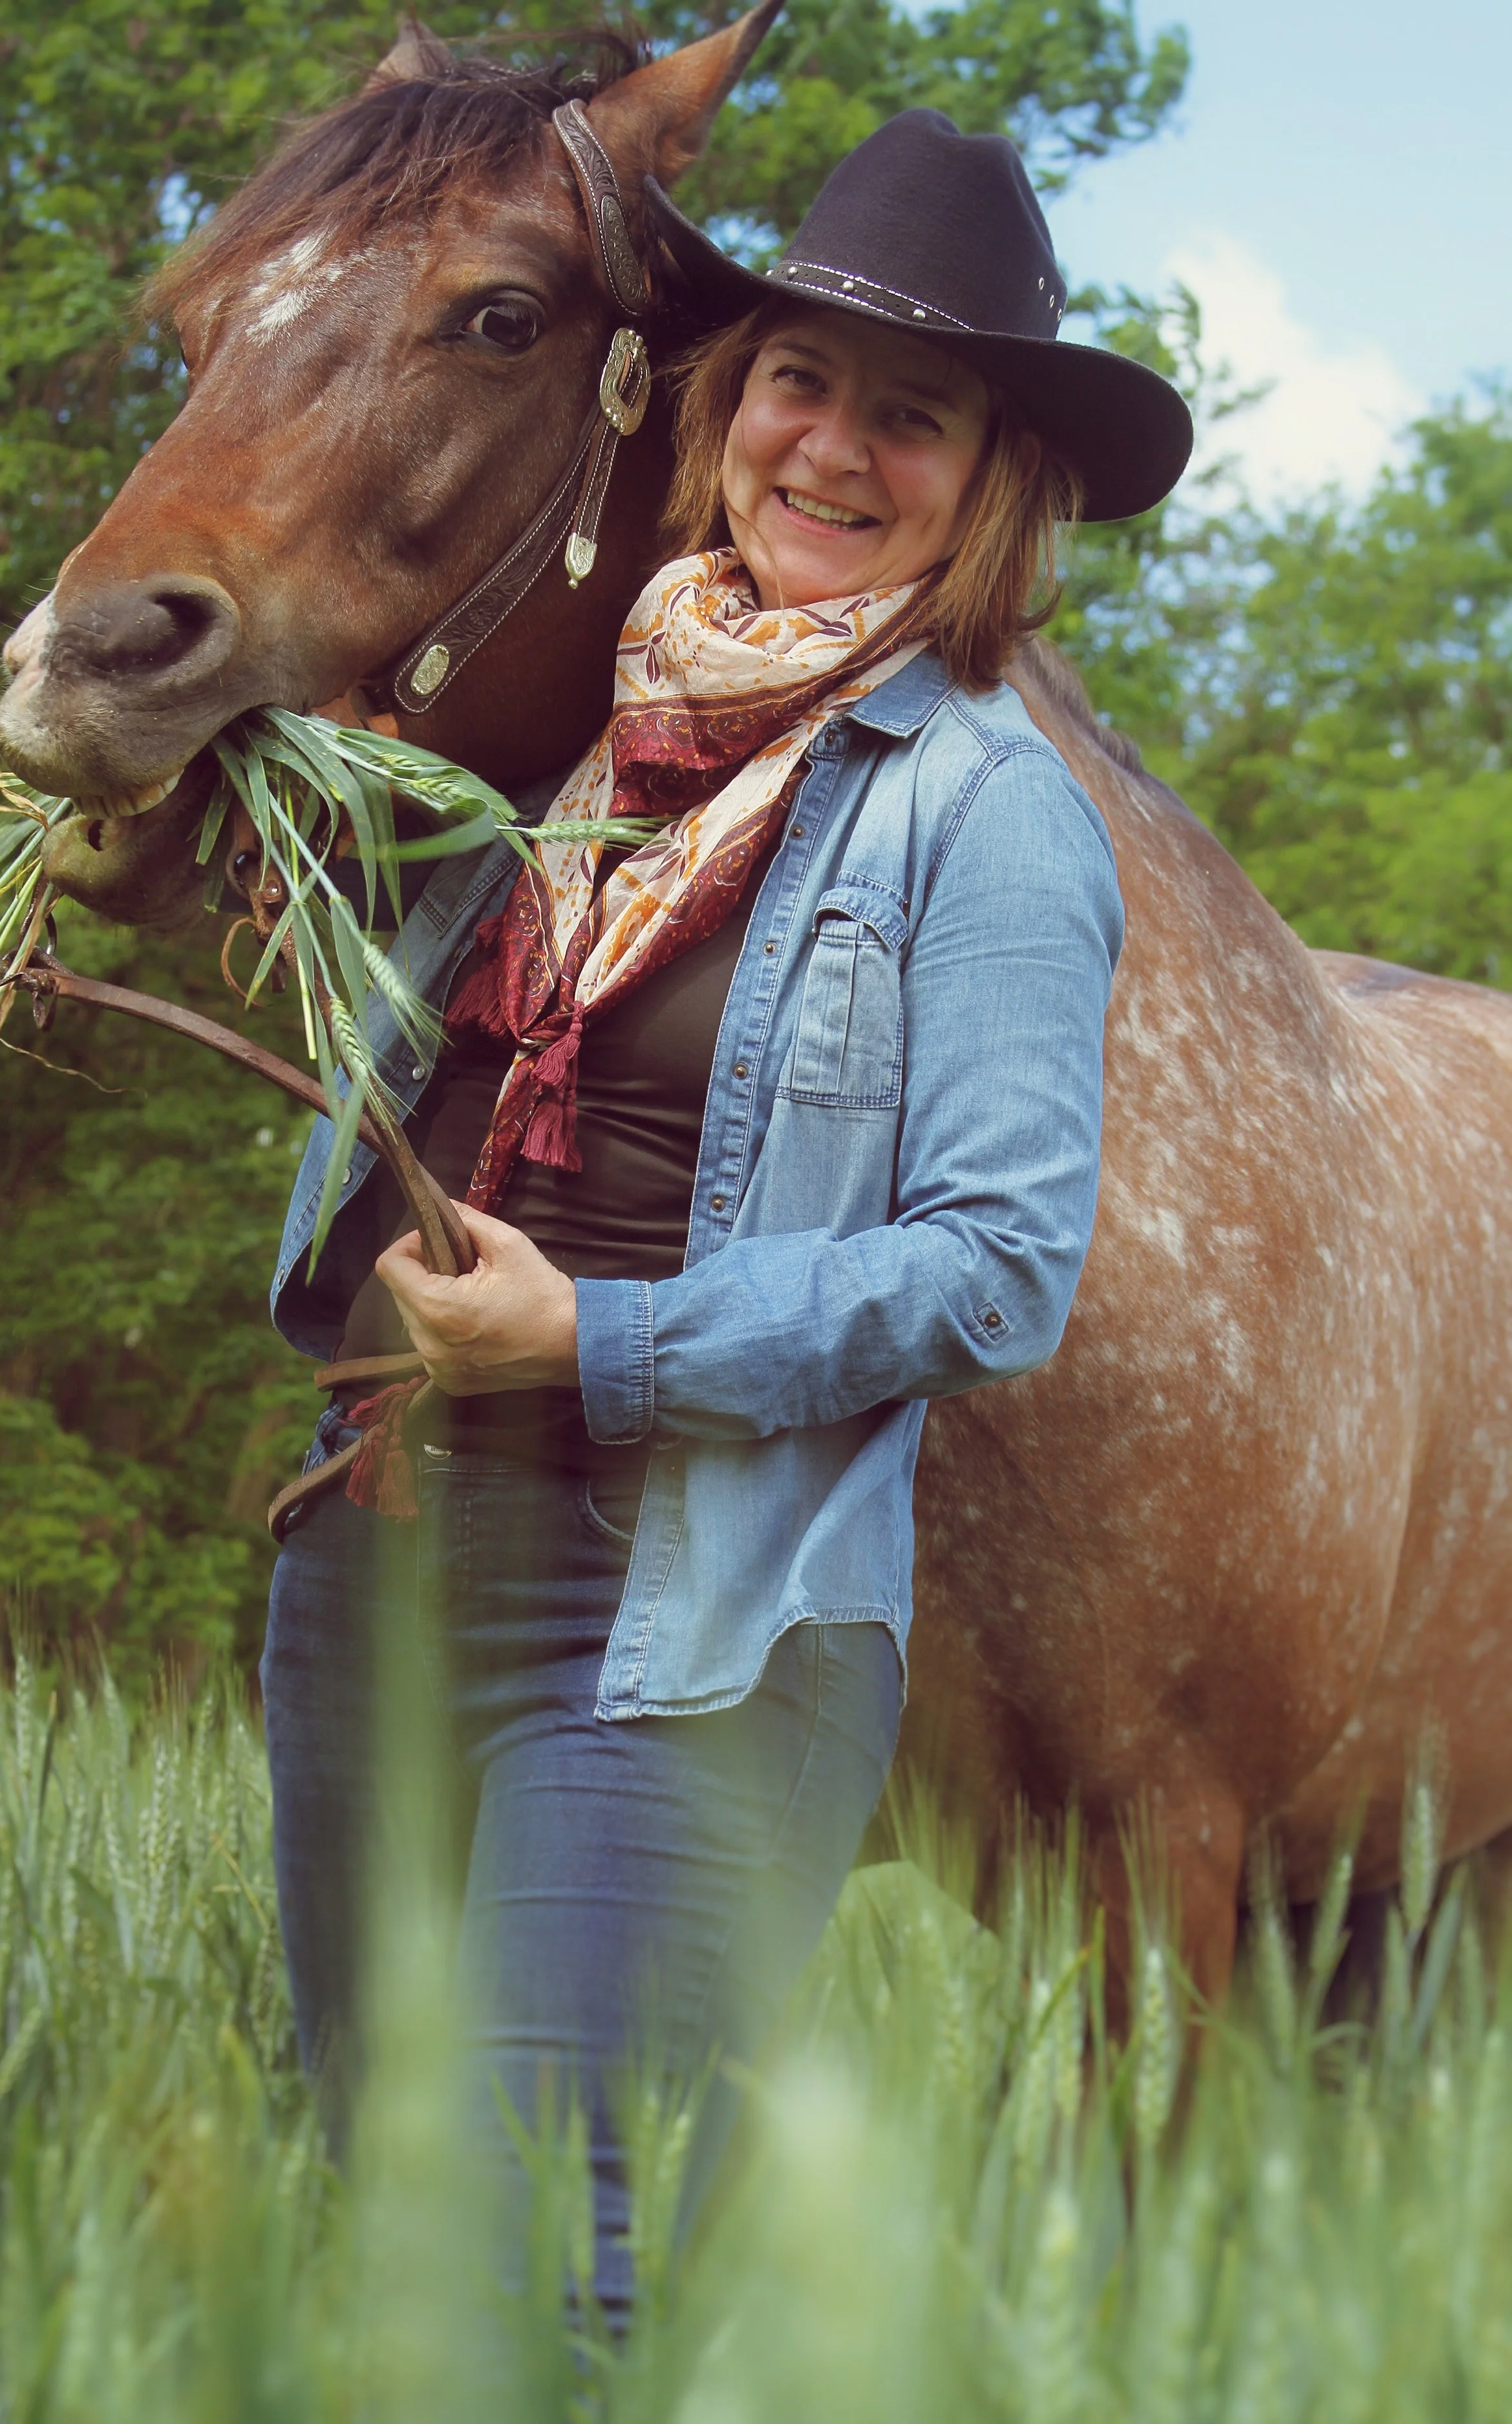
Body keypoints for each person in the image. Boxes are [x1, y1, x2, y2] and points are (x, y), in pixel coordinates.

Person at [259, 110, 1191, 2318]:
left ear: (997, 480)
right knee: (382, 2249)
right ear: (719, 397)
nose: (832, 446)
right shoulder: (576, 736)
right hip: (383, 1566)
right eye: (798, 377)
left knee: (540, 2258)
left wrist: (594, 1341)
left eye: (914, 412)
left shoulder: (987, 814)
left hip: (672, 1606)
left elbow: (997, 1269)